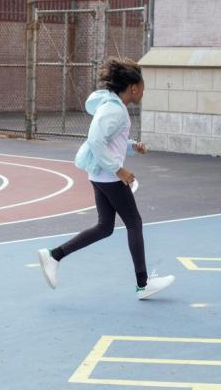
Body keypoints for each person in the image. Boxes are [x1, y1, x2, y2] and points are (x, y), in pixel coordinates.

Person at [38, 57, 174, 299]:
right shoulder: (114, 109)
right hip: (109, 177)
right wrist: (119, 170)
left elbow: (111, 141)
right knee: (134, 223)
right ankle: (143, 284)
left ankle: (54, 255)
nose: (143, 92)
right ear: (133, 88)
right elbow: (96, 141)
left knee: (105, 227)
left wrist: (132, 147)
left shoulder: (114, 107)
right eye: (143, 87)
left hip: (100, 174)